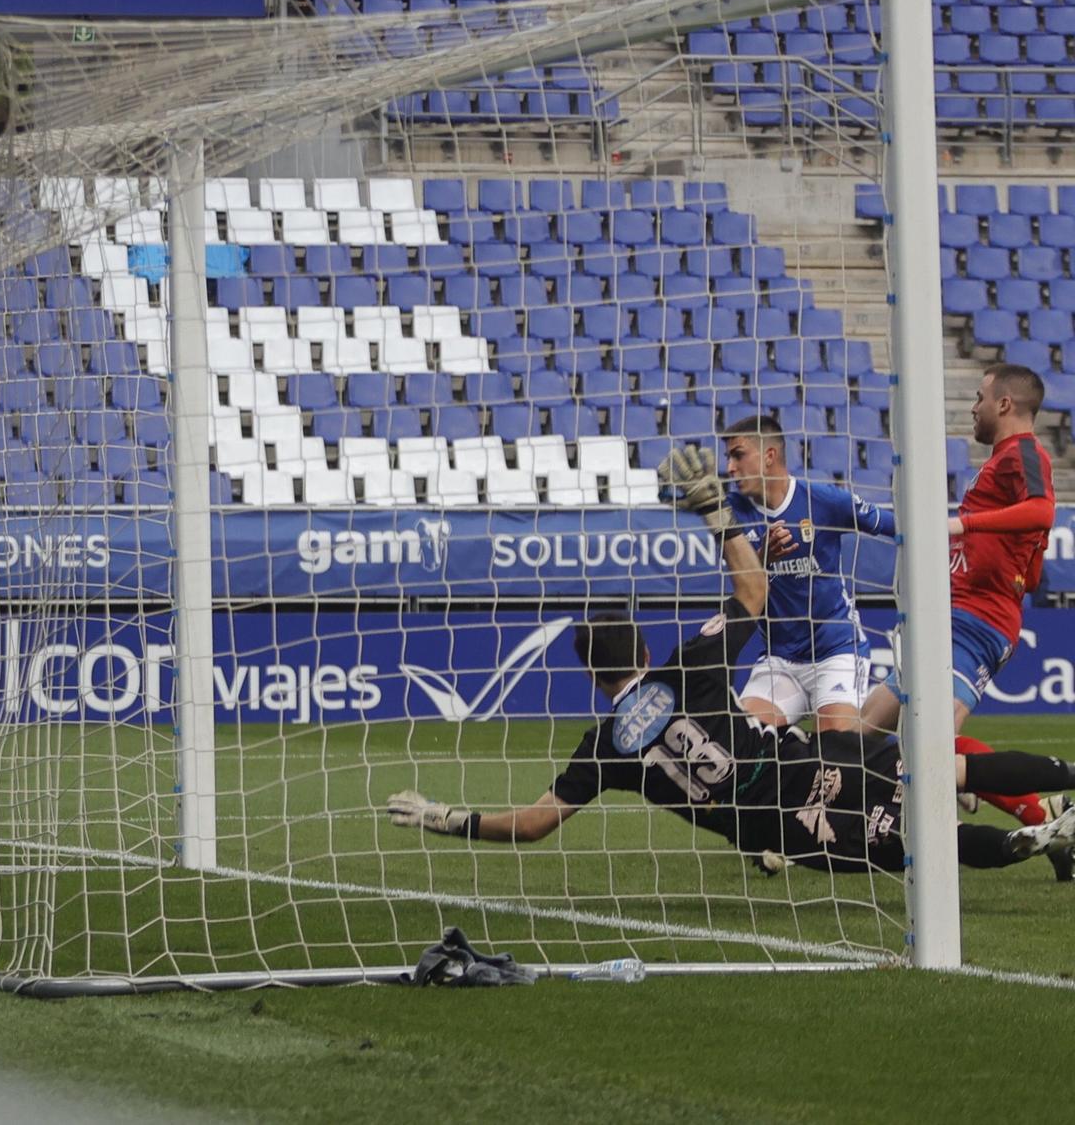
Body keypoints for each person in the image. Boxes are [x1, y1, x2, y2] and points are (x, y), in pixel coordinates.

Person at [387, 443, 1075, 878]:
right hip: (813, 764)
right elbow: (752, 591)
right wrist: (715, 513)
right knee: (931, 765)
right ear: (645, 650)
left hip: (785, 824)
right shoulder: (687, 669)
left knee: (907, 847)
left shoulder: (604, 748)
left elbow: (535, 822)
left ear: (594, 679)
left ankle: (1037, 836)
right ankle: (1056, 791)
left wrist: (448, 817)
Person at [859, 363, 1064, 838]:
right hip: (954, 613)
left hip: (978, 622)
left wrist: (963, 526)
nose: (973, 407)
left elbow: (1042, 510)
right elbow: (1031, 570)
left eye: (979, 397)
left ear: (1004, 404)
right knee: (868, 728)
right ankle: (1040, 817)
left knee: (927, 737)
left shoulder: (1025, 454)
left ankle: (970, 831)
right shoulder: (1001, 462)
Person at [720, 414, 893, 733]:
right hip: (779, 659)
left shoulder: (824, 501)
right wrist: (763, 559)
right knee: (739, 743)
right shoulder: (730, 511)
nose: (730, 467)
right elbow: (743, 585)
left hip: (836, 650)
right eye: (728, 457)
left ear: (769, 455)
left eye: (738, 455)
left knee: (837, 754)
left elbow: (896, 526)